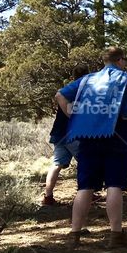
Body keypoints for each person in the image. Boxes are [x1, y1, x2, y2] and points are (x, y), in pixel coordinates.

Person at [56, 46, 127, 248]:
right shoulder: (125, 77)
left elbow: (60, 95)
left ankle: (75, 235)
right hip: (117, 132)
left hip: (87, 135)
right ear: (119, 61)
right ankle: (115, 234)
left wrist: (72, 115)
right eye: (125, 60)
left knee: (85, 186)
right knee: (114, 185)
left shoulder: (87, 79)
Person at [42, 64, 90, 206]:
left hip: (59, 132)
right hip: (73, 133)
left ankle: (48, 196)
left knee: (56, 164)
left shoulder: (69, 89)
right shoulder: (82, 91)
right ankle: (86, 192)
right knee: (85, 162)